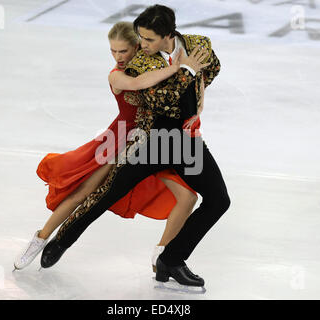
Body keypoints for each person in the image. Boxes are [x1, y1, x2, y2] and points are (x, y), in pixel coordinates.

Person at [40, 4, 231, 289]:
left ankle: (172, 259)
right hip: (151, 141)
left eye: (149, 39)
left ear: (169, 34)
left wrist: (200, 85)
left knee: (219, 200)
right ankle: (63, 240)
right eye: (140, 38)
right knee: (105, 196)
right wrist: (187, 72)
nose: (141, 44)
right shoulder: (141, 62)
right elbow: (161, 101)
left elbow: (213, 66)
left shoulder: (197, 44)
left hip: (186, 142)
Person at [13, 21, 208, 273]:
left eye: (124, 51)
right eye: (113, 52)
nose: (118, 57)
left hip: (159, 140)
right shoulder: (117, 75)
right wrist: (180, 68)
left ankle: (163, 255)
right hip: (121, 138)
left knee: (188, 197)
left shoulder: (159, 65)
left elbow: (191, 89)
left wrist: (195, 92)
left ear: (138, 47)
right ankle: (41, 237)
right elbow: (139, 84)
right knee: (86, 190)